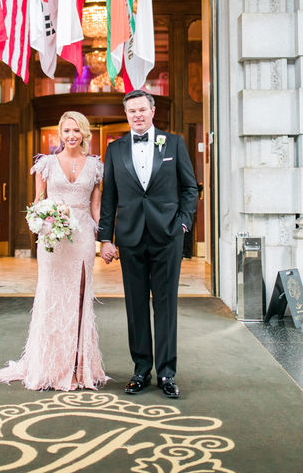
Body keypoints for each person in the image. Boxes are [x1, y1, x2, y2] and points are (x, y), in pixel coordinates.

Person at [0, 111, 107, 391]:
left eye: (76, 130)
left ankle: (78, 368)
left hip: (83, 235)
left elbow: (96, 208)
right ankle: (50, 365)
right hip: (53, 238)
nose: (71, 135)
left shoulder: (96, 167)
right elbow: (38, 201)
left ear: (84, 133)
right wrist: (40, 222)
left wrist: (107, 239)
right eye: (66, 131)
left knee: (79, 299)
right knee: (52, 297)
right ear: (60, 134)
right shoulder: (45, 165)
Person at [98, 90, 198, 398]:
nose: (137, 115)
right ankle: (141, 369)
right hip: (130, 238)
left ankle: (166, 373)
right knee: (136, 305)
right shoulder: (114, 149)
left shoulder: (174, 143)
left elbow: (190, 188)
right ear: (126, 115)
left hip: (167, 235)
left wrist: (183, 223)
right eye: (132, 111)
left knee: (165, 305)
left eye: (142, 109)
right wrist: (104, 237)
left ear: (152, 111)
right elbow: (109, 197)